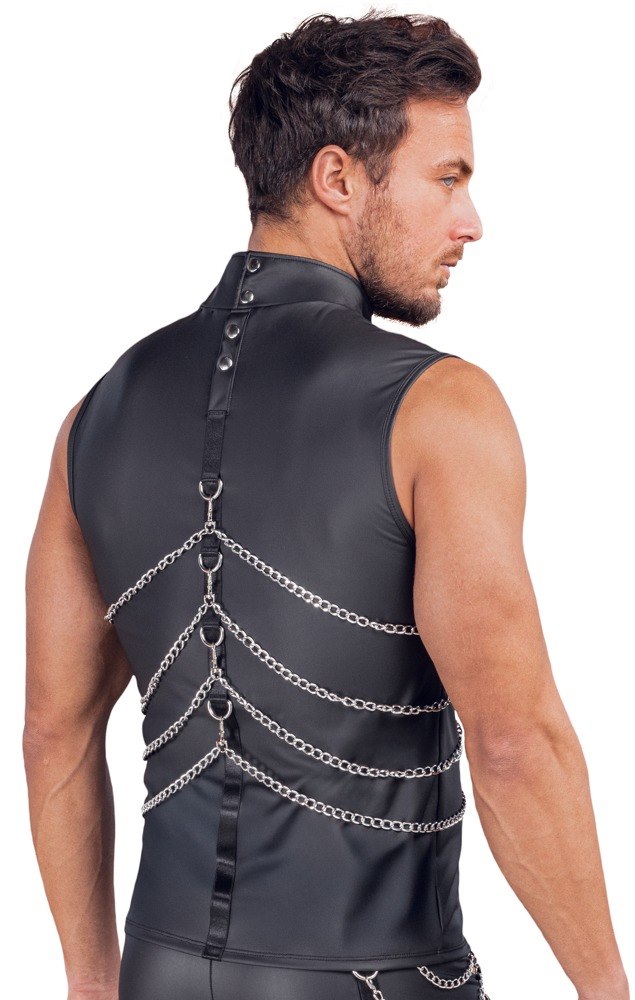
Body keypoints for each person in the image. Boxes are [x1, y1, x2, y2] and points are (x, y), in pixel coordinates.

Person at [23, 10, 629, 1000]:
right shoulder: (437, 406)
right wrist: (605, 988)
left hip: (159, 972)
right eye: (447, 179)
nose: (469, 222)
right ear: (338, 179)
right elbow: (514, 741)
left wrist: (94, 983)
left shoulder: (96, 413)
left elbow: (54, 729)